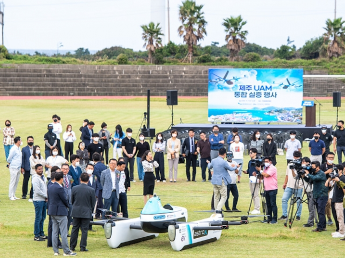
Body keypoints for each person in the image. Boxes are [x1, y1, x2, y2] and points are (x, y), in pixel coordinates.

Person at [47, 171, 76, 256]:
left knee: (55, 231)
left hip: (52, 211)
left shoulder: (50, 186)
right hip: (60, 211)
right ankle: (66, 251)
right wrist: (68, 206)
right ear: (62, 179)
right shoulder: (60, 188)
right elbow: (64, 199)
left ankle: (55, 250)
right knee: (63, 232)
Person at [70, 173, 96, 252]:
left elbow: (72, 200)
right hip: (86, 211)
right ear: (88, 180)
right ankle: (82, 246)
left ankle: (72, 246)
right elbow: (93, 203)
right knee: (84, 230)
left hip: (76, 211)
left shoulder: (74, 188)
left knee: (75, 229)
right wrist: (89, 209)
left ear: (80, 179)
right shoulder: (91, 190)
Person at [207, 147, 236, 213]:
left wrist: (208, 163)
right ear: (225, 154)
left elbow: (209, 167)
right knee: (224, 196)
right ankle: (218, 209)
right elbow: (231, 169)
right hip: (221, 181)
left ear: (218, 153)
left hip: (214, 180)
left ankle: (216, 210)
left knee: (216, 196)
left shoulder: (214, 160)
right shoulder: (223, 162)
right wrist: (236, 166)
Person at [303, 161, 328, 232]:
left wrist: (308, 173)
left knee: (320, 211)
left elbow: (315, 178)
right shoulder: (314, 174)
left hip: (322, 195)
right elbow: (310, 180)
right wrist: (304, 176)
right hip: (317, 195)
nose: (312, 168)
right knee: (320, 211)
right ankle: (323, 226)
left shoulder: (321, 173)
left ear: (318, 167)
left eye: (313, 167)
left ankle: (320, 227)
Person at [279, 151, 304, 221]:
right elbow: (287, 174)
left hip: (299, 186)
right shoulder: (290, 164)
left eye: (297, 158)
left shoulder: (302, 165)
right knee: (284, 199)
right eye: (295, 157)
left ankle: (298, 215)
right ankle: (284, 215)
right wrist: (285, 183)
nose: (295, 159)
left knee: (298, 201)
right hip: (289, 185)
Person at [254, 157, 278, 224]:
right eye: (264, 161)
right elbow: (263, 176)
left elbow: (267, 175)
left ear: (270, 162)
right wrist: (257, 174)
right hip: (266, 188)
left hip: (272, 188)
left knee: (273, 204)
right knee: (268, 204)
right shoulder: (265, 168)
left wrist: (260, 170)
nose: (265, 162)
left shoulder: (273, 168)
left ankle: (274, 219)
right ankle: (269, 218)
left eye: (267, 161)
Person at [325, 164, 345, 238]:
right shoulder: (336, 178)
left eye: (336, 170)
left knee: (340, 217)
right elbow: (326, 185)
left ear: (340, 170)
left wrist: (338, 181)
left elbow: (344, 189)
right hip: (335, 199)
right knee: (338, 216)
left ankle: (342, 232)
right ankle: (340, 230)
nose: (334, 172)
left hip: (340, 200)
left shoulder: (342, 178)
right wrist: (330, 179)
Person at [32, 164, 48, 241]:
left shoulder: (43, 177)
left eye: (41, 169)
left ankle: (41, 233)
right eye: (39, 169)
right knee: (38, 217)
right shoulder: (35, 178)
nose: (41, 170)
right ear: (35, 170)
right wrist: (46, 196)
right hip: (38, 200)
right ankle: (36, 235)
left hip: (43, 200)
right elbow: (37, 190)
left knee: (43, 217)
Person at [243, 148, 261, 214]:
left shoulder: (258, 161)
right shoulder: (250, 161)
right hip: (251, 178)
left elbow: (260, 170)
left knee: (256, 194)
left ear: (255, 153)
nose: (250, 154)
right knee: (253, 194)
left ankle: (257, 208)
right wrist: (246, 171)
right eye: (249, 153)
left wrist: (259, 178)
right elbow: (249, 169)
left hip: (256, 178)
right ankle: (255, 207)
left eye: (251, 153)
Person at [320, 152, 336, 225]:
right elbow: (319, 175)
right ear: (326, 158)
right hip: (325, 187)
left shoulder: (335, 166)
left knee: (334, 204)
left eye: (332, 158)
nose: (331, 159)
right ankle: (329, 218)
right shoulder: (322, 166)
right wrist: (327, 172)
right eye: (329, 157)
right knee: (328, 202)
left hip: (334, 187)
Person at [301, 157, 317, 228]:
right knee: (310, 207)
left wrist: (305, 175)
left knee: (311, 208)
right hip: (308, 190)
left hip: (312, 190)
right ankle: (313, 221)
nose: (304, 163)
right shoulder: (304, 170)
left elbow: (310, 180)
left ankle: (310, 223)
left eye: (305, 162)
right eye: (303, 162)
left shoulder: (311, 171)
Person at [7, 136, 22, 201]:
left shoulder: (19, 148)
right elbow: (9, 158)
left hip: (18, 166)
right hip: (14, 167)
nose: (21, 142)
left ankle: (13, 194)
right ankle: (10, 195)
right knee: (12, 181)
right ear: (18, 141)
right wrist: (10, 163)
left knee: (16, 181)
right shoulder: (13, 149)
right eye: (20, 140)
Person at [93, 153, 107, 218]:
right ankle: (97, 214)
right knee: (100, 200)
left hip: (99, 185)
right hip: (104, 184)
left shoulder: (95, 167)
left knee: (100, 201)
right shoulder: (104, 166)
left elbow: (98, 176)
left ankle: (102, 213)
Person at [61, 164, 73, 234]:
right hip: (63, 200)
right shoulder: (59, 177)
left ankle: (66, 231)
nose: (65, 170)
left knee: (70, 216)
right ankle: (62, 231)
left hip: (70, 200)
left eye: (66, 169)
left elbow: (70, 187)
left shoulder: (70, 177)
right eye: (63, 169)